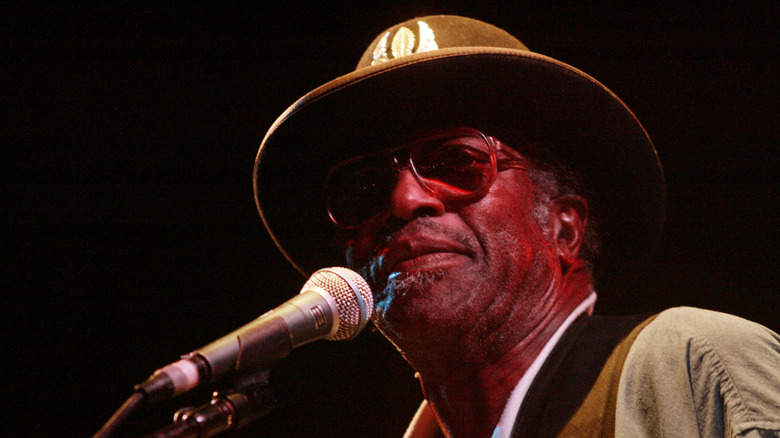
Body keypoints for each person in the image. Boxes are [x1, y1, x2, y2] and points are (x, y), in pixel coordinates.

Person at [252, 16, 780, 437]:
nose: (404, 199)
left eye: (456, 162)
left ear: (565, 228)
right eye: (363, 189)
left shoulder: (694, 365)